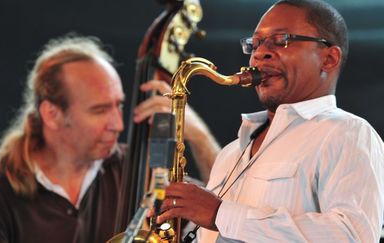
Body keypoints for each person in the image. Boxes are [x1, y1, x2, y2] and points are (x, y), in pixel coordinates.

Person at [157, 0, 384, 242]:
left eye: (281, 40)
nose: (259, 54)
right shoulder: (230, 153)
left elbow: (352, 236)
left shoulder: (349, 133)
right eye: (254, 44)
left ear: (328, 59)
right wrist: (184, 223)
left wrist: (219, 213)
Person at [0, 35, 220, 243]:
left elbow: (222, 208)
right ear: (52, 114)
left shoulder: (145, 172)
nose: (118, 124)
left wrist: (197, 135)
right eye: (99, 110)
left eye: (118, 106)